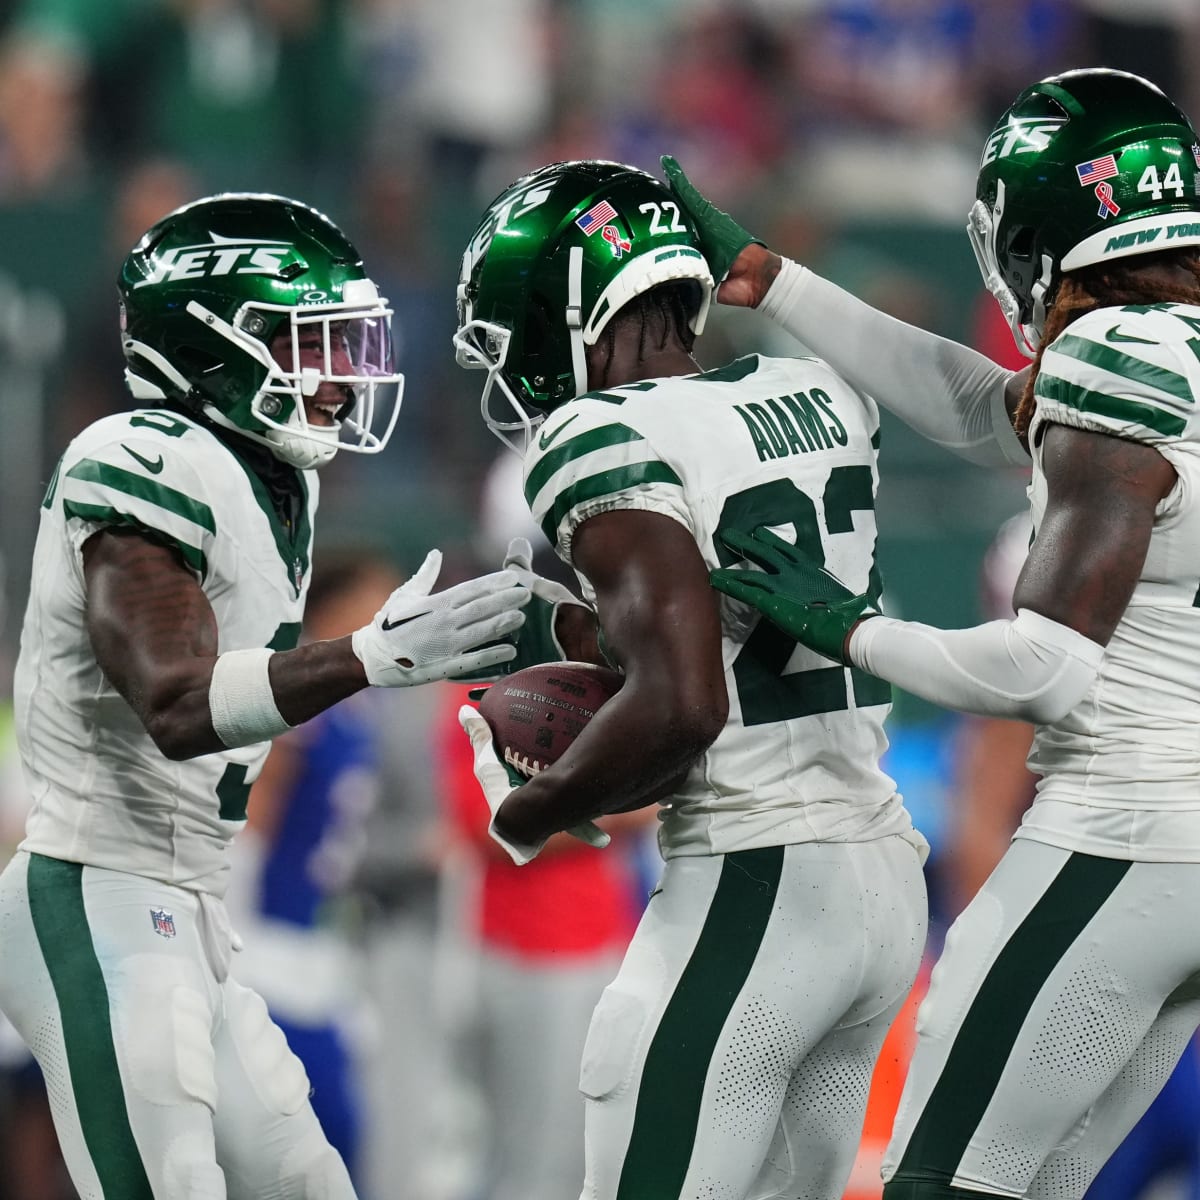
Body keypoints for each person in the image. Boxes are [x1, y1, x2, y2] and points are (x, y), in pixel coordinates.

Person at [693, 67, 1200, 1198]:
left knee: (935, 1184)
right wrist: (780, 285)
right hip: (1186, 855)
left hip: (1118, 836)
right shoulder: (1173, 358)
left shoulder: (1115, 361)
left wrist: (853, 628)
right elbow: (982, 407)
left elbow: (1046, 667)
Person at [0, 191, 529, 1199]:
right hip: (99, 893)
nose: (339, 377)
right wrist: (365, 656)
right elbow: (177, 699)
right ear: (214, 346)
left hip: (191, 905)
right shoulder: (137, 459)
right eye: (308, 342)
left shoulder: (269, 479)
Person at [452, 157, 929, 1200]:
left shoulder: (598, 434)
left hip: (754, 883)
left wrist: (537, 804)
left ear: (569, 310)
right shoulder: (818, 386)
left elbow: (685, 704)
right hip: (880, 873)